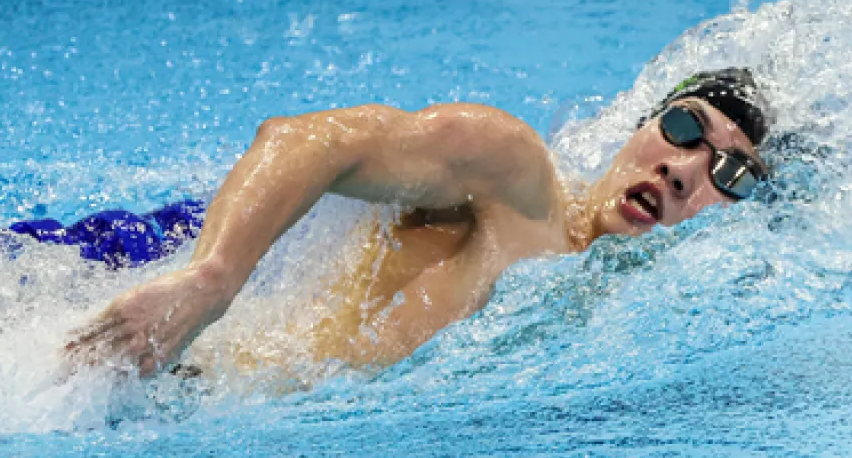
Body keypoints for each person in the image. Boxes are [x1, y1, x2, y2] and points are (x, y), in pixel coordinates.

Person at [64, 68, 774, 377]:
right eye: (684, 127)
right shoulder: (514, 174)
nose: (686, 169)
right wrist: (211, 281)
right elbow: (307, 139)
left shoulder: (633, 307)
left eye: (730, 174)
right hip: (155, 356)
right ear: (641, 123)